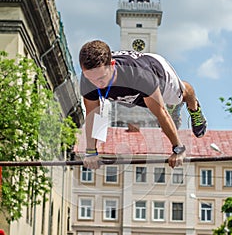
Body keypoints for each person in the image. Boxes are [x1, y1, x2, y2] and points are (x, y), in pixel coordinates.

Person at [79, 40, 207, 169]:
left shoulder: (140, 76)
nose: (97, 84)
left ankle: (194, 108)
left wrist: (178, 148)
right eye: (91, 79)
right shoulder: (87, 80)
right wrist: (91, 152)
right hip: (134, 96)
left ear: (112, 65)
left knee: (180, 97)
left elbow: (161, 113)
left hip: (158, 75)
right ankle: (173, 106)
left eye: (102, 78)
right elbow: (92, 116)